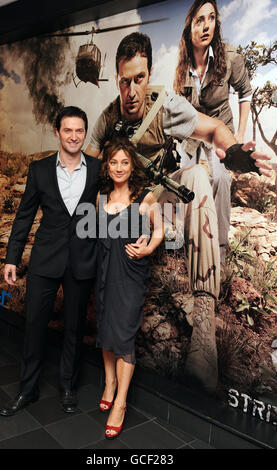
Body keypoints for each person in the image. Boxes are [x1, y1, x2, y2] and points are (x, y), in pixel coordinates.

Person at [85, 32, 271, 392]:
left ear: (149, 73)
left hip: (164, 198)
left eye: (139, 79)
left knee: (199, 177)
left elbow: (214, 128)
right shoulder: (108, 117)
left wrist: (235, 154)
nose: (132, 91)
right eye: (125, 81)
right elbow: (88, 169)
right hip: (129, 207)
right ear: (117, 79)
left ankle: (203, 326)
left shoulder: (164, 105)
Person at [0, 106, 101, 417]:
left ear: (85, 133)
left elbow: (114, 209)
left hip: (82, 261)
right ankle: (26, 391)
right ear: (57, 132)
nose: (73, 136)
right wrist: (12, 258)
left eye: (79, 131)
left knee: (73, 329)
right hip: (45, 259)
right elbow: (24, 216)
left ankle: (68, 387)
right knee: (34, 326)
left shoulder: (98, 170)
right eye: (67, 130)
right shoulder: (39, 170)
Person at [95, 137, 164, 439]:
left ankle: (120, 402)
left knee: (123, 335)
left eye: (125, 162)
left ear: (132, 164)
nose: (119, 167)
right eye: (114, 162)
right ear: (107, 166)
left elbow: (160, 230)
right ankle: (109, 382)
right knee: (106, 329)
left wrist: (148, 247)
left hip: (131, 274)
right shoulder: (101, 197)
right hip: (104, 272)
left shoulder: (145, 197)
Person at [174, 0, 252, 262]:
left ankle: (219, 247)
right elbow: (181, 107)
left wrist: (238, 136)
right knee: (186, 181)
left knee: (219, 178)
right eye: (199, 20)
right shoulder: (182, 65)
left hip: (220, 132)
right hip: (193, 134)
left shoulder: (230, 57)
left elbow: (245, 92)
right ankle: (185, 240)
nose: (206, 25)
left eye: (211, 18)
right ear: (189, 27)